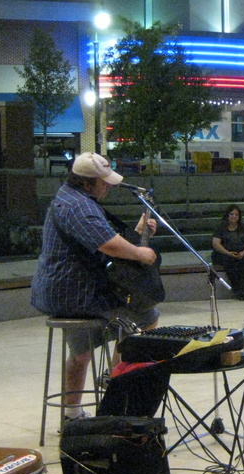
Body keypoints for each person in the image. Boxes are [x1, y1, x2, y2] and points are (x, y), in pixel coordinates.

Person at [30, 153, 159, 424]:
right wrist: (139, 252)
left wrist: (136, 231)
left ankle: (73, 414)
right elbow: (109, 245)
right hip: (75, 293)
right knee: (146, 315)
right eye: (105, 182)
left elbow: (103, 238)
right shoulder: (79, 207)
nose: (109, 187)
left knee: (82, 353)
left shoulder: (70, 197)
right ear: (88, 183)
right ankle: (117, 380)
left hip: (67, 290)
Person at [212, 204, 244, 299]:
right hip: (223, 254)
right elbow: (216, 244)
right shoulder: (221, 228)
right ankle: (237, 290)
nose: (234, 216)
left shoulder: (243, 227)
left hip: (239, 253)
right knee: (231, 263)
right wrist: (228, 253)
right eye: (232, 214)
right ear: (228, 215)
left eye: (236, 215)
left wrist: (243, 253)